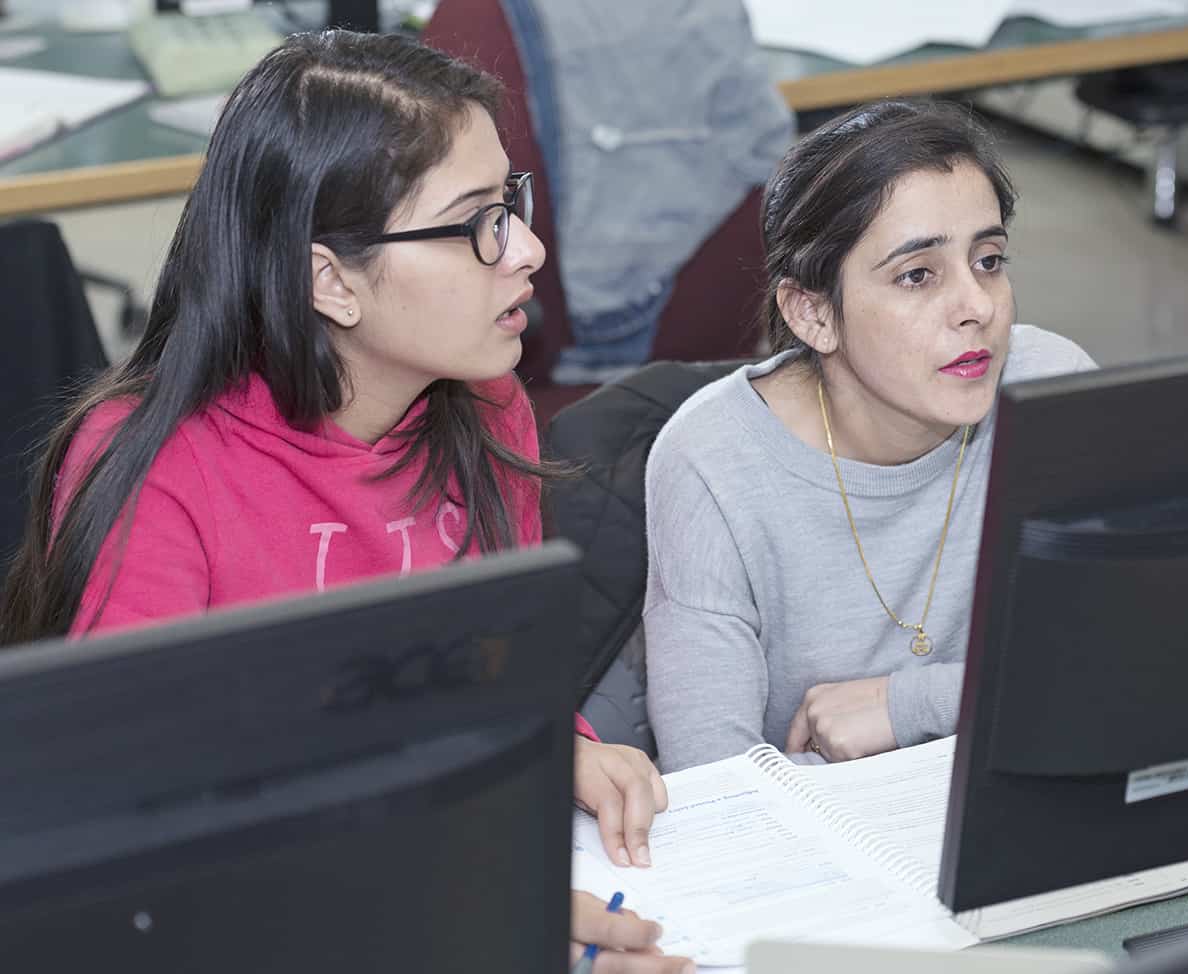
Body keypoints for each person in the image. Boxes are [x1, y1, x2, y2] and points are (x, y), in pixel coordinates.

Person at [0, 31, 690, 974]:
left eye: (513, 202)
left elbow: (485, 669)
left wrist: (554, 739)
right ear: (331, 281)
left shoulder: (485, 406)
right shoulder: (157, 465)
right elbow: (137, 824)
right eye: (479, 220)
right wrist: (472, 916)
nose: (527, 249)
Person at [643, 100, 1098, 773]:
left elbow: (1126, 655)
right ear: (812, 312)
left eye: (990, 260)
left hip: (1023, 798)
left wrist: (912, 705)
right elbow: (714, 775)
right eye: (918, 275)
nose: (977, 307)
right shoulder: (712, 461)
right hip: (822, 849)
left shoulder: (1049, 387)